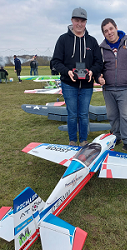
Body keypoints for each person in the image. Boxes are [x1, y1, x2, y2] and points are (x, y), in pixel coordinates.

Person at [50, 7, 102, 146]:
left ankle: (83, 141)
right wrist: (67, 71)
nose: (79, 24)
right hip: (69, 84)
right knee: (72, 115)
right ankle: (72, 140)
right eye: (77, 20)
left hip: (86, 86)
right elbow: (55, 61)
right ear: (72, 20)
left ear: (86, 22)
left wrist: (92, 71)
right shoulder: (63, 39)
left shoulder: (92, 41)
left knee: (84, 115)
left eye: (82, 21)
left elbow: (99, 62)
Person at [98, 18, 127, 155]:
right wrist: (98, 77)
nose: (109, 32)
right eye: (106, 31)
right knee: (112, 116)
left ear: (116, 28)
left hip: (124, 88)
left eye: (111, 29)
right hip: (108, 89)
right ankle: (116, 137)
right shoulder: (101, 48)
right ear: (104, 34)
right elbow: (98, 66)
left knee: (125, 116)